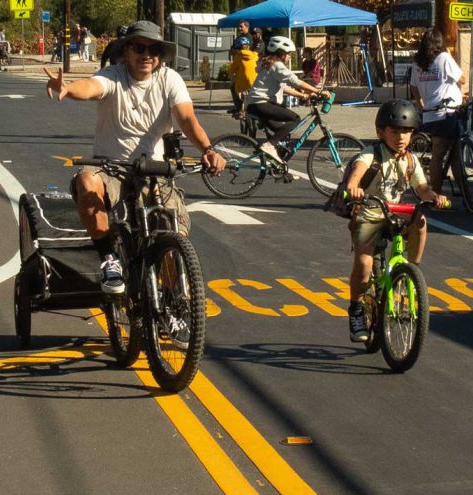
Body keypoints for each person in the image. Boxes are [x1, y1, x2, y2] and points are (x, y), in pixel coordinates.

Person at [43, 20, 225, 294]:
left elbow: (187, 119)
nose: (147, 55)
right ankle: (109, 259)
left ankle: (173, 306)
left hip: (155, 170)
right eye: (140, 47)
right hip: (111, 167)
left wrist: (208, 150)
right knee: (86, 181)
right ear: (126, 51)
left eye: (155, 50)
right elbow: (92, 87)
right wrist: (68, 89)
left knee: (173, 241)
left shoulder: (169, 79)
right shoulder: (113, 76)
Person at [344, 99, 447, 342]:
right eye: (394, 131)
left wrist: (435, 197)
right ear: (381, 132)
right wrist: (353, 188)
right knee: (365, 267)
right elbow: (356, 175)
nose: (401, 137)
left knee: (420, 219)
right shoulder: (371, 154)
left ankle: (412, 271)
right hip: (369, 213)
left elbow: (422, 189)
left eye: (407, 132)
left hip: (393, 213)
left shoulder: (410, 160)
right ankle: (356, 308)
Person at [246, 36, 330, 165]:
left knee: (284, 134)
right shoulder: (277, 65)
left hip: (256, 105)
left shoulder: (269, 64)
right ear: (282, 53)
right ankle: (269, 146)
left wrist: (303, 96)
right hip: (261, 104)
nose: (289, 57)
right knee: (295, 119)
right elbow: (295, 81)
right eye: (288, 54)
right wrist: (319, 91)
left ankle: (277, 166)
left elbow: (284, 88)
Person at [410, 28, 466, 193]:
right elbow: (462, 79)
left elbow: (414, 88)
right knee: (441, 156)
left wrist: (421, 105)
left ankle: (466, 195)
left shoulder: (417, 62)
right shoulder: (444, 58)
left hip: (430, 113)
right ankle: (437, 195)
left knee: (448, 155)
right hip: (447, 112)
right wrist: (449, 54)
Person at [227, 36, 258, 113]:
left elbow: (231, 70)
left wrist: (230, 75)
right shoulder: (254, 55)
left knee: (233, 88)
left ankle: (240, 108)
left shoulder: (238, 57)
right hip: (256, 80)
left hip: (244, 82)